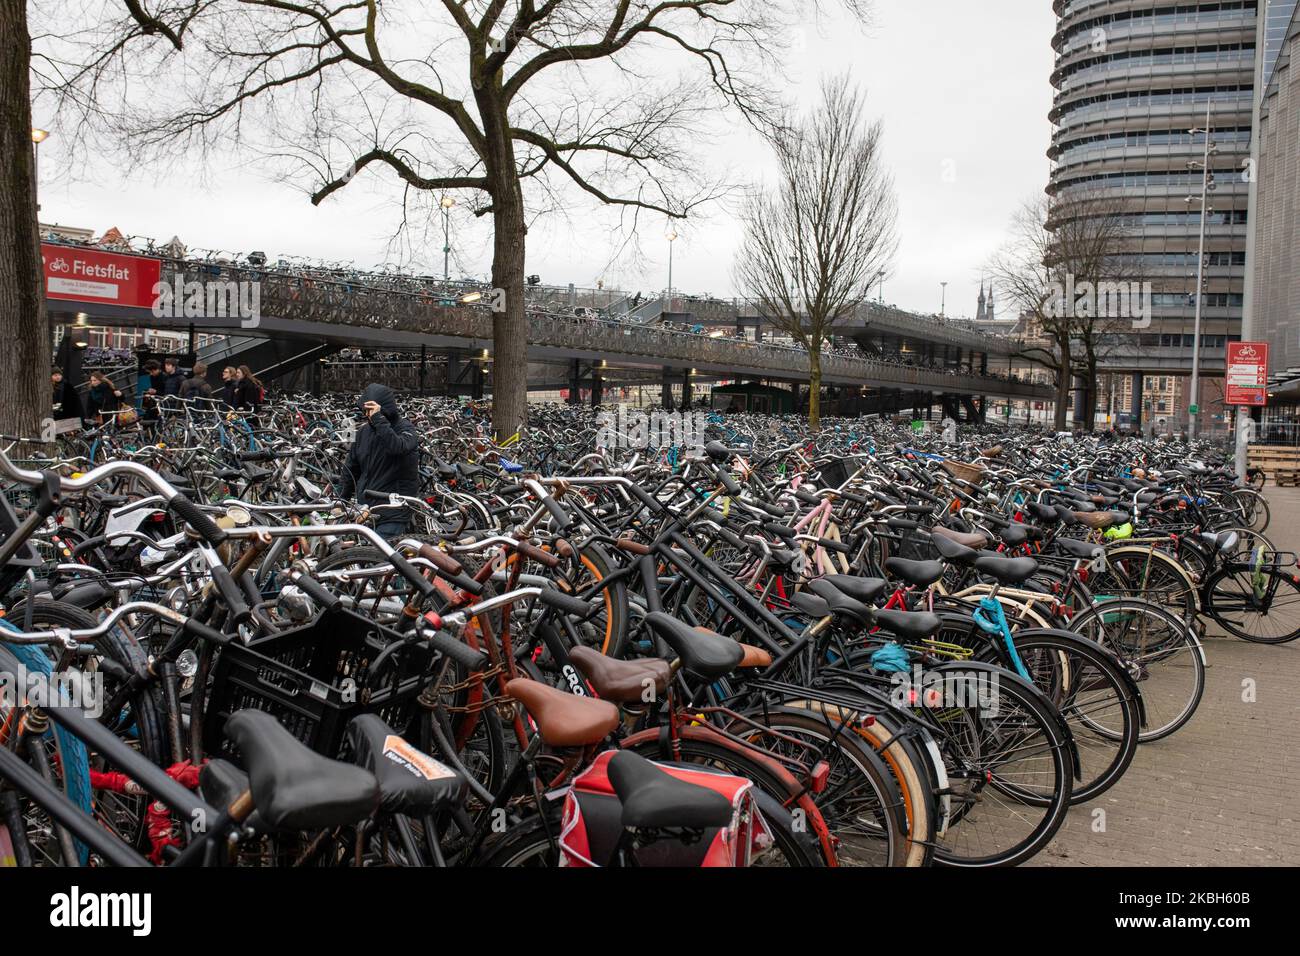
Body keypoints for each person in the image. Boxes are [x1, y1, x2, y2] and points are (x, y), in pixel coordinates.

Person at [335, 383, 420, 539]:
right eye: (365, 411)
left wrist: (379, 420)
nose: (368, 415)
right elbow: (350, 469)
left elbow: (397, 447)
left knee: (380, 558)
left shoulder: (405, 429)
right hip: (367, 509)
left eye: (371, 411)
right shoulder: (363, 432)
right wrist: (339, 501)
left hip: (394, 510)